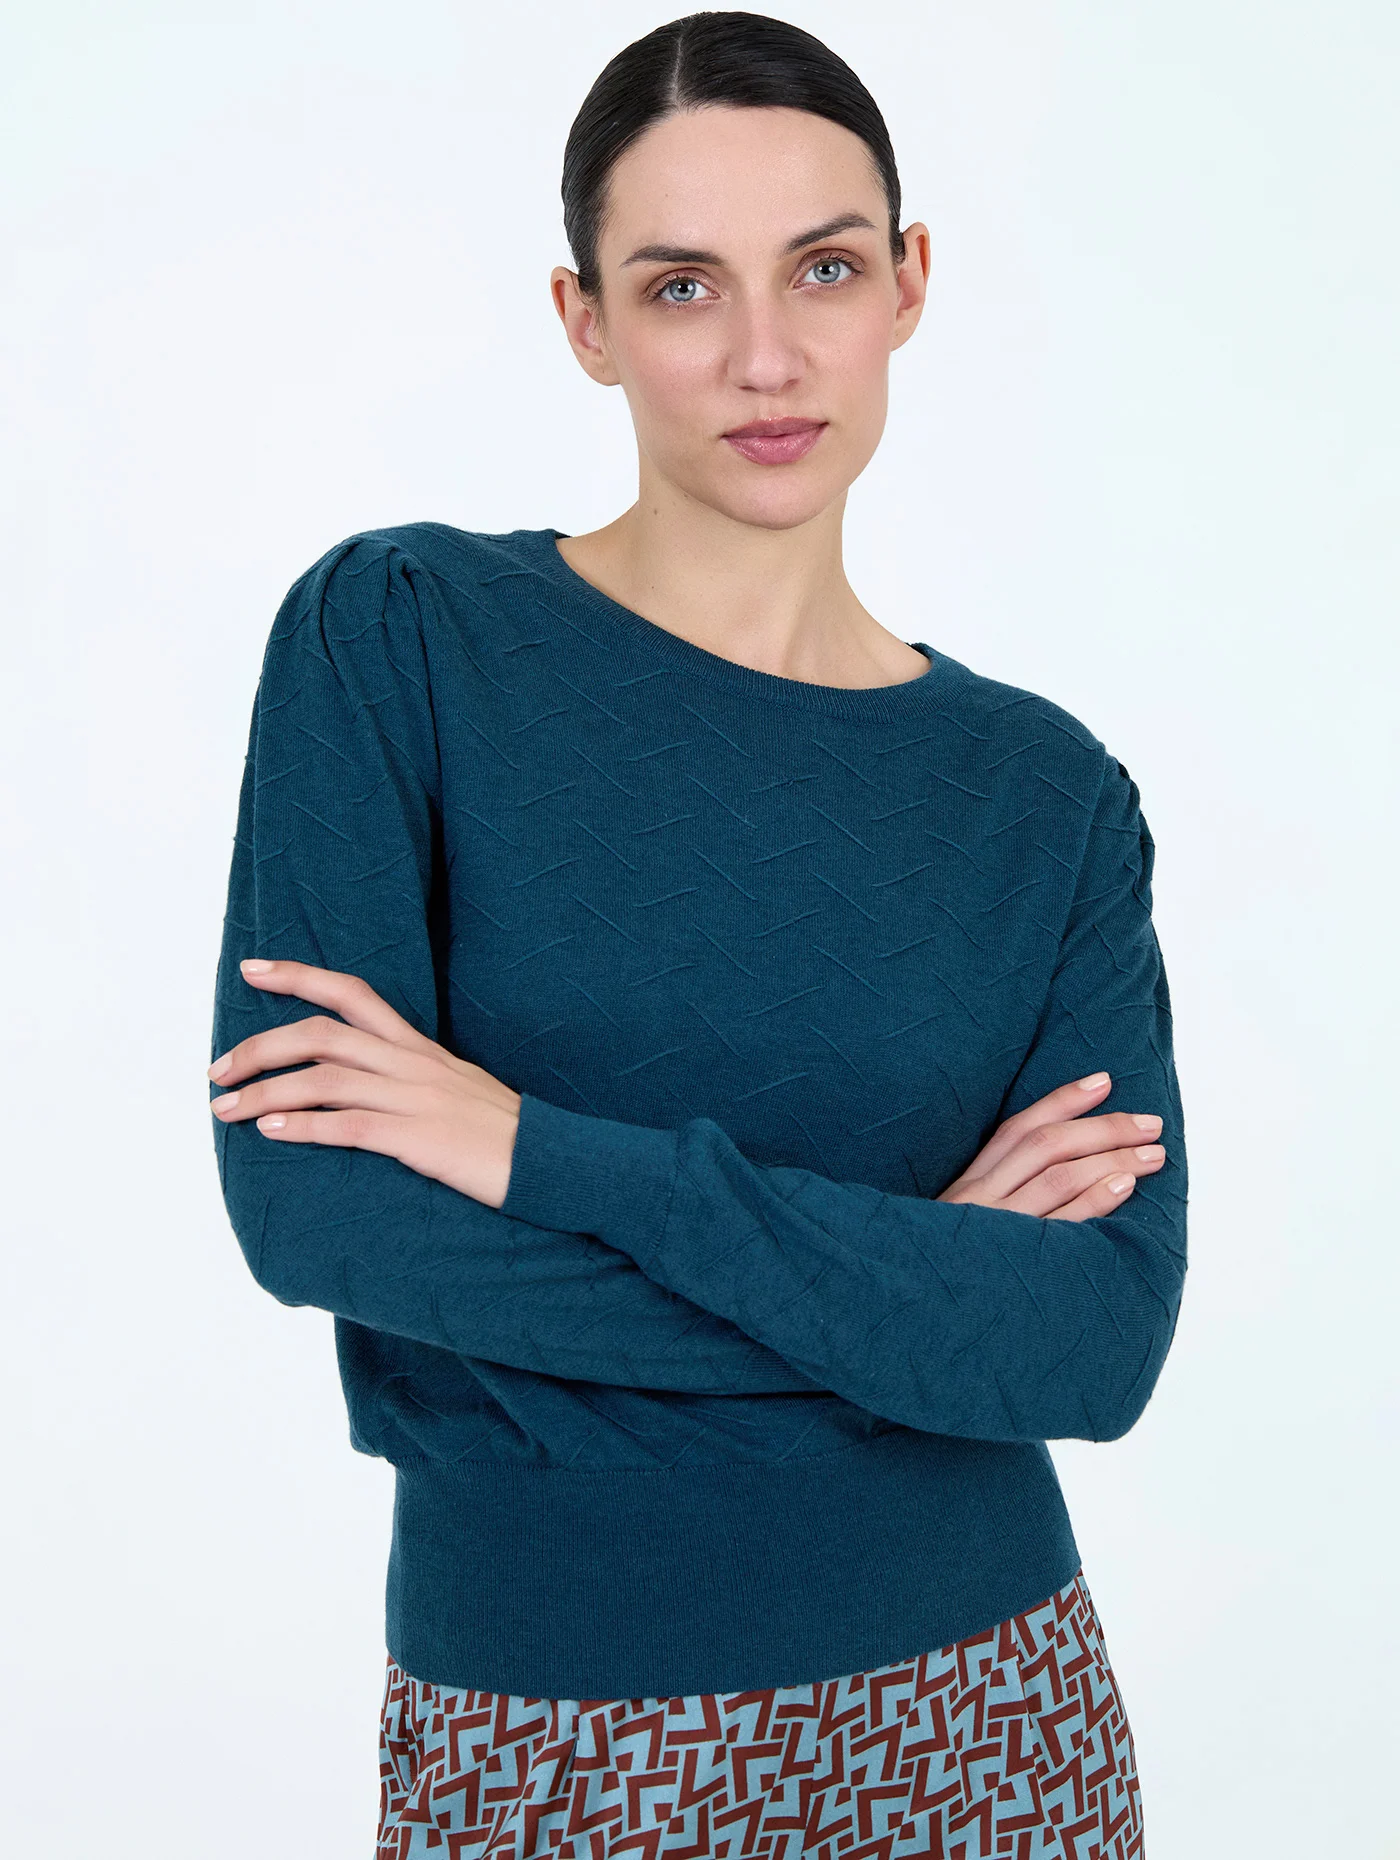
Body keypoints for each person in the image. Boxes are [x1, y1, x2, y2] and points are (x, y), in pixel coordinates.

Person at [208, 12, 1187, 1857]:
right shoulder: (402, 636)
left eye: (823, 268)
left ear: (907, 283)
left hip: (992, 1718)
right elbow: (318, 1212)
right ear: (584, 320)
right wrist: (912, 1289)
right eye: (680, 286)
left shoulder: (1043, 797)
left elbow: (1090, 1347)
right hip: (547, 1738)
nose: (764, 356)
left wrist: (527, 1150)